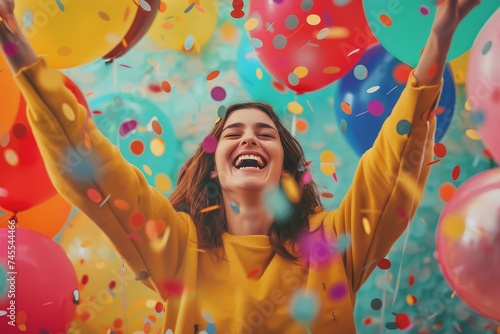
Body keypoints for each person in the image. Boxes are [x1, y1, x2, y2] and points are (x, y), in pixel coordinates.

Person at [0, 0, 480, 332]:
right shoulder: (175, 247)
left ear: (286, 171)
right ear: (213, 170)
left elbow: (392, 170)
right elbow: (91, 168)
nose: (248, 136)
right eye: (233, 134)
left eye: (264, 133)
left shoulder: (327, 248)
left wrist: (438, 38)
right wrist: (18, 50)